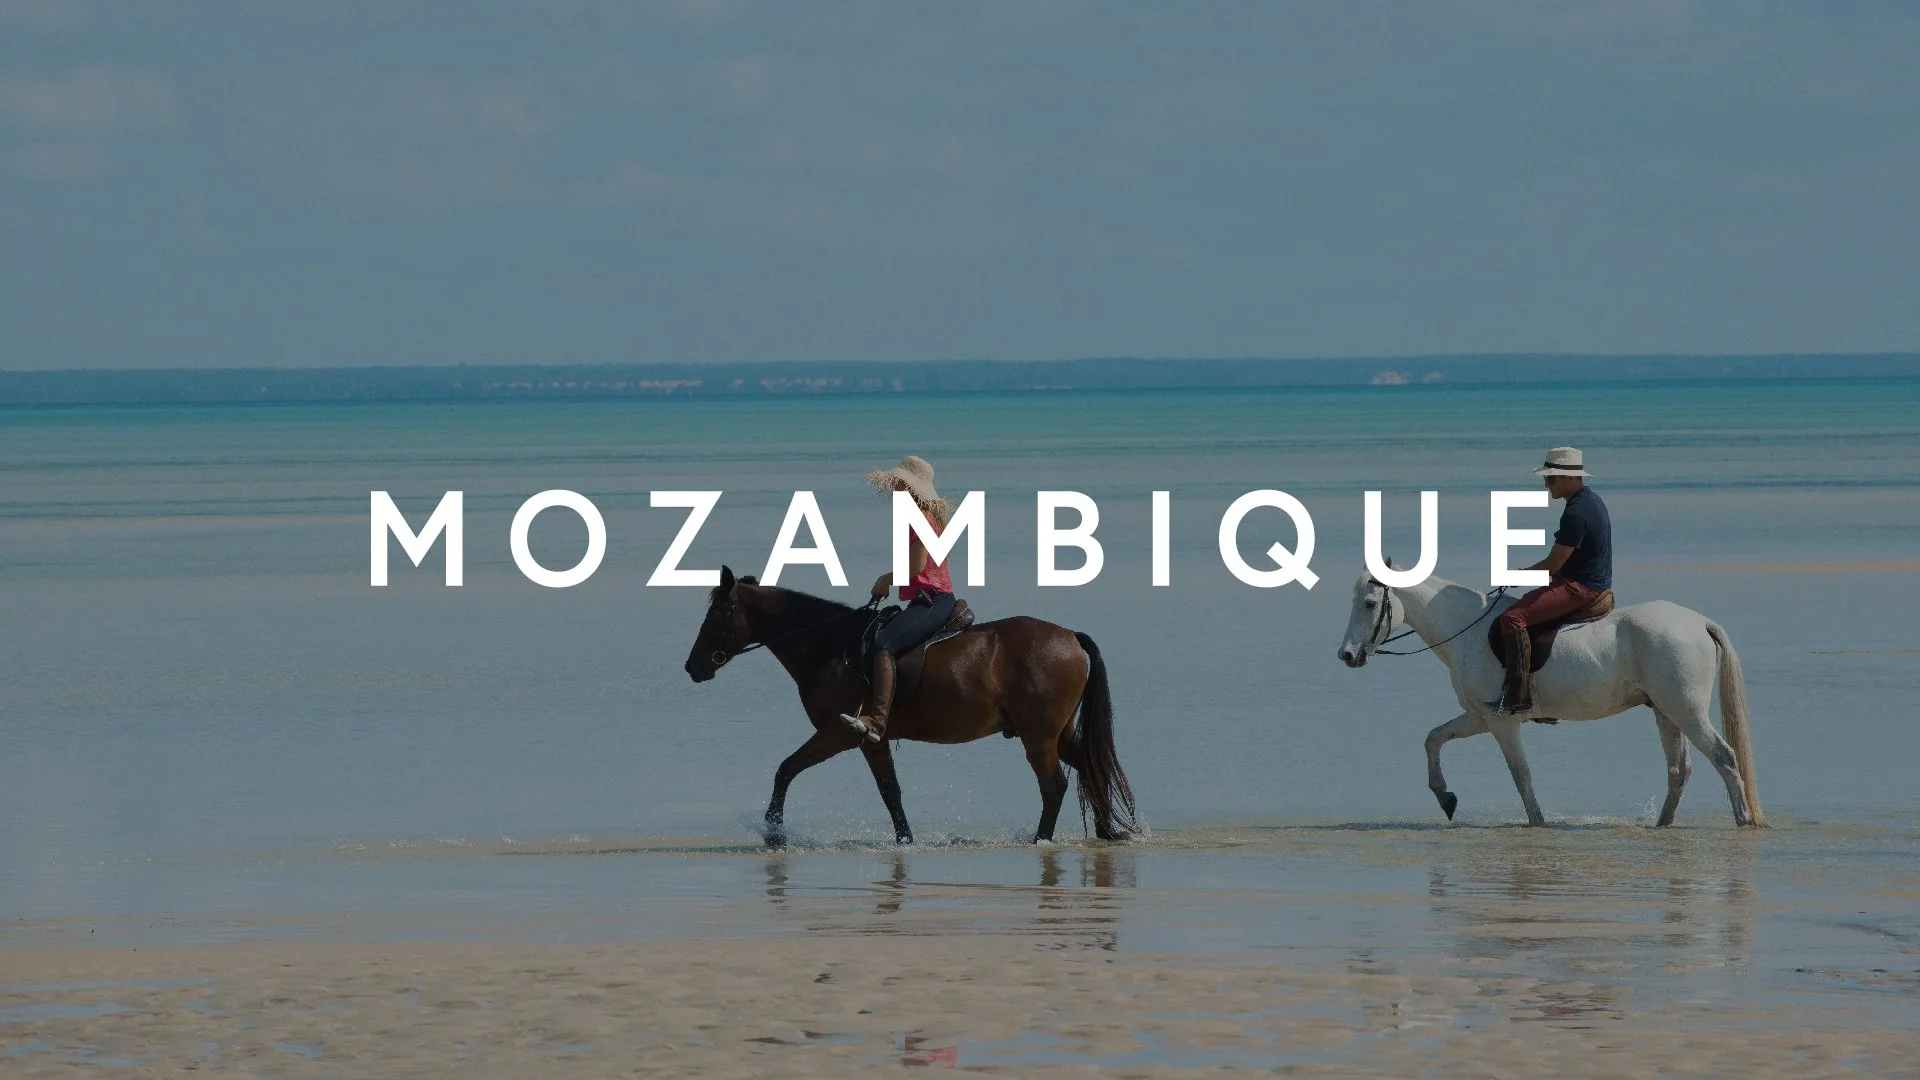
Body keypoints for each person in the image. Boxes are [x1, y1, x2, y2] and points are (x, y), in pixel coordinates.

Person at [1487, 446, 1616, 715]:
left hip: (1581, 588)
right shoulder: (1591, 500)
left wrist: (1514, 576)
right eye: (1545, 478)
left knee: (1512, 618)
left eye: (1551, 478)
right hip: (1585, 580)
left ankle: (1518, 698)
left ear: (1571, 478)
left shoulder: (1576, 513)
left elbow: (1551, 565)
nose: (1546, 484)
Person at [840, 456, 958, 743]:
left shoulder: (920, 518)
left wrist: (886, 579)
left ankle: (877, 720)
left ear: (910, 486)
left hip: (934, 600)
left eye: (898, 483)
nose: (894, 488)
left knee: (883, 646)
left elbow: (917, 567)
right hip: (926, 599)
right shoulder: (920, 516)